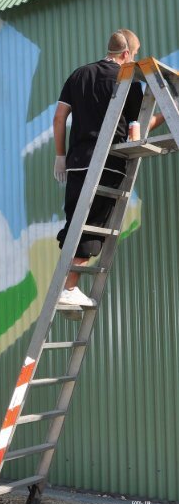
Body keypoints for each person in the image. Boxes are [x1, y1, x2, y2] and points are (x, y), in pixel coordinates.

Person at [53, 29, 164, 308]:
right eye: (134, 55)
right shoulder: (128, 80)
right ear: (126, 54)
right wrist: (165, 115)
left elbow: (59, 117)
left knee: (75, 224)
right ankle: (69, 288)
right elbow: (135, 134)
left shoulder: (79, 74)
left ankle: (66, 291)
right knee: (93, 229)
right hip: (108, 164)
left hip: (77, 163)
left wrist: (60, 155)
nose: (134, 60)